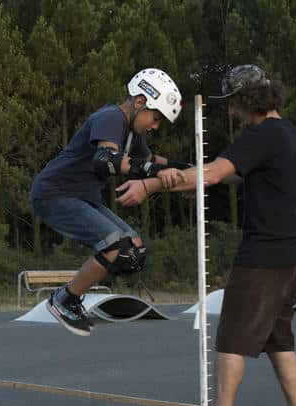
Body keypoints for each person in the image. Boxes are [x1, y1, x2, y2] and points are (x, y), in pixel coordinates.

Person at [117, 64, 296, 406]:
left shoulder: (262, 135)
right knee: (279, 338)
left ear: (250, 99)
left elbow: (212, 173)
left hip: (264, 256)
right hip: (292, 254)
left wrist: (149, 185)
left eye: (233, 104)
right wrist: (182, 178)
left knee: (231, 337)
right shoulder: (287, 134)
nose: (230, 113)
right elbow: (224, 175)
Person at [30, 68, 187, 336]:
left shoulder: (132, 135)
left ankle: (74, 294)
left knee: (132, 251)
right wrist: (158, 174)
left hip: (83, 197)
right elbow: (106, 160)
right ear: (139, 102)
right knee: (115, 246)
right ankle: (64, 299)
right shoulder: (110, 117)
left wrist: (193, 171)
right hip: (55, 193)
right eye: (156, 117)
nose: (155, 126)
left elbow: (153, 161)